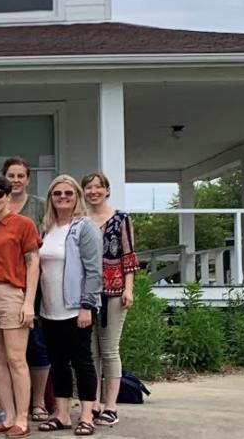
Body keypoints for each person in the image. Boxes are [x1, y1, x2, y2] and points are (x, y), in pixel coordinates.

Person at [0, 175, 41, 439]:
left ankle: (22, 419)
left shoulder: (24, 224)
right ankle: (8, 415)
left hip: (12, 293)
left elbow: (33, 262)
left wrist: (28, 302)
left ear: (8, 195)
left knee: (16, 358)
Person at [36, 176, 102, 436]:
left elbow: (94, 271)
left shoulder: (85, 227)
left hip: (76, 308)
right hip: (49, 309)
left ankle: (86, 415)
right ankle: (62, 414)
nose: (62, 197)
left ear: (77, 197)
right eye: (57, 194)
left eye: (68, 193)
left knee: (82, 361)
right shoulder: (47, 227)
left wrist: (87, 305)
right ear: (51, 198)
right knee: (58, 362)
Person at [81, 172, 139, 427]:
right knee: (89, 350)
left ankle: (111, 406)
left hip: (114, 292)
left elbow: (128, 255)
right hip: (86, 293)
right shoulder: (80, 220)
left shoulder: (120, 219)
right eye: (88, 187)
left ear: (106, 190)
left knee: (109, 349)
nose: (93, 191)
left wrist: (129, 288)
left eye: (98, 187)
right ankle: (91, 402)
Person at [2, 157, 52, 424]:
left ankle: (39, 402)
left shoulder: (40, 206)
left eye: (21, 176)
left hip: (36, 285)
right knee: (8, 350)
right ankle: (9, 407)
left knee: (37, 343)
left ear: (28, 179)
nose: (16, 180)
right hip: (6, 285)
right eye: (11, 175)